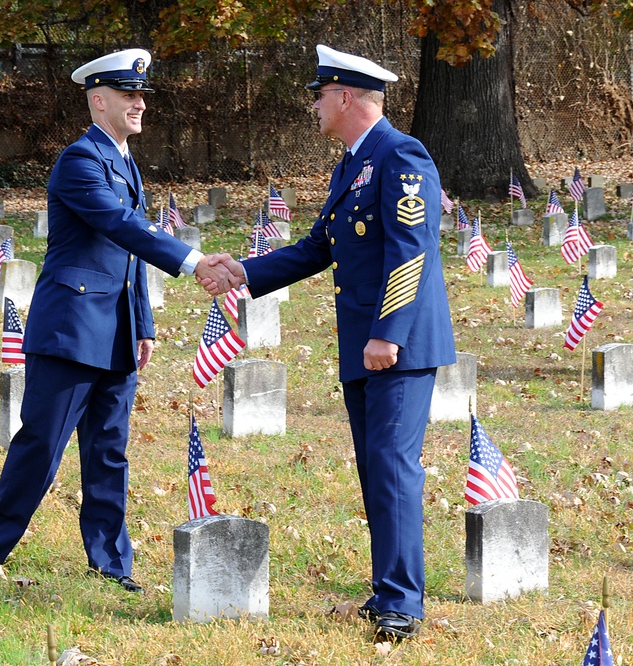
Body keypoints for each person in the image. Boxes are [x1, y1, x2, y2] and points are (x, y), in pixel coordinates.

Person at [0, 49, 236, 592]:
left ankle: (111, 563)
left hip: (116, 331)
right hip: (71, 330)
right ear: (99, 100)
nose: (141, 103)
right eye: (129, 95)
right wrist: (191, 261)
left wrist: (143, 325)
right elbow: (119, 225)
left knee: (109, 451)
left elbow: (129, 256)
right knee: (42, 444)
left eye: (141, 95)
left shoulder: (124, 160)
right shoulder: (81, 160)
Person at [217, 44, 455, 640]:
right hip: (364, 347)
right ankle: (387, 588)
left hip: (395, 347)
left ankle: (402, 603)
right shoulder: (351, 164)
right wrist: (245, 273)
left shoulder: (402, 154)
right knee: (376, 469)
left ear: (346, 96)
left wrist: (386, 334)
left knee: (393, 468)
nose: (315, 105)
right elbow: (318, 247)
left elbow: (412, 250)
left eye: (320, 94)